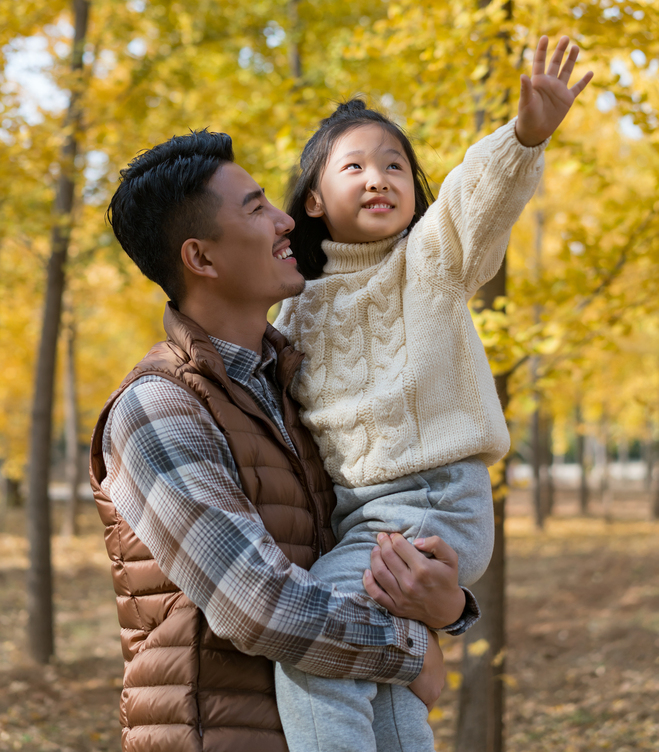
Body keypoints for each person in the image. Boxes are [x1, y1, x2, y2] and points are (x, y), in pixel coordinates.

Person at [90, 128, 480, 752]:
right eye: (255, 209)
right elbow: (258, 604)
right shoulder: (158, 410)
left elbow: (372, 547)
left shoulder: (299, 390)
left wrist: (447, 608)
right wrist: (411, 653)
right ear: (202, 259)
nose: (284, 221)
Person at [273, 36, 594, 752]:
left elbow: (472, 205)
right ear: (315, 200)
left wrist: (523, 137)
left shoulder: (429, 265)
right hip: (363, 521)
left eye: (394, 166)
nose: (379, 177)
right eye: (353, 165)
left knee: (314, 645)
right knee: (384, 690)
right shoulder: (290, 310)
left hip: (432, 502)